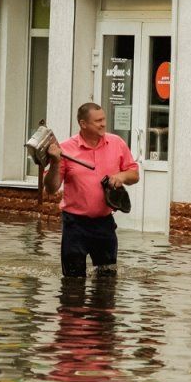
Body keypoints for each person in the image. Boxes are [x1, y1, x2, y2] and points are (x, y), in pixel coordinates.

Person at [44, 103, 139, 277]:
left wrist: (121, 176)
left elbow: (134, 174)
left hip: (104, 223)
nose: (103, 124)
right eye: (98, 121)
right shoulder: (65, 149)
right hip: (75, 224)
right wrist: (55, 163)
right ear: (83, 124)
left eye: (104, 119)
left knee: (107, 278)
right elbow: (51, 188)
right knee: (72, 280)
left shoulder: (116, 143)